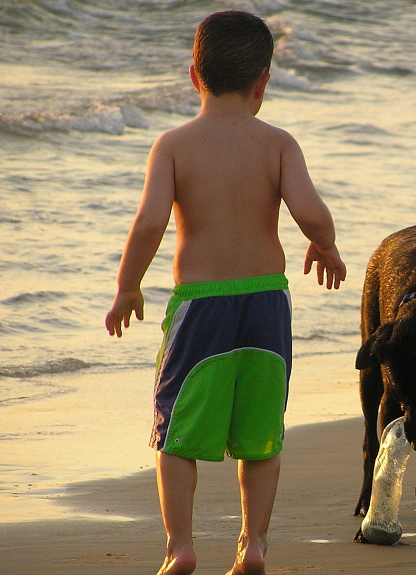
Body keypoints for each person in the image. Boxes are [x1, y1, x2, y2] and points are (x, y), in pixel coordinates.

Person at [104, 10, 346, 575]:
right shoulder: (279, 144)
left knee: (177, 431)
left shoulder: (173, 145)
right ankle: (254, 545)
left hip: (201, 306)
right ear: (263, 81)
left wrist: (127, 289)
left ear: (194, 76)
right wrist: (326, 246)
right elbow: (310, 210)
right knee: (261, 434)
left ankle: (181, 547)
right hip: (266, 303)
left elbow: (148, 224)